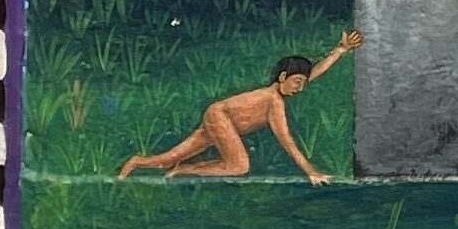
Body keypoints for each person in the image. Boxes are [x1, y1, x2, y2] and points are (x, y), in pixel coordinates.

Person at [117, 33, 355, 184]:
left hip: (219, 116)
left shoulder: (281, 90)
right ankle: (184, 170)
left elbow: (312, 72)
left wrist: (341, 50)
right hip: (219, 116)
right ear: (283, 77)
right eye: (296, 83)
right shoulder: (273, 102)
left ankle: (136, 162)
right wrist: (311, 171)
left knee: (170, 157)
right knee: (240, 166)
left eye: (302, 83)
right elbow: (287, 142)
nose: (300, 88)